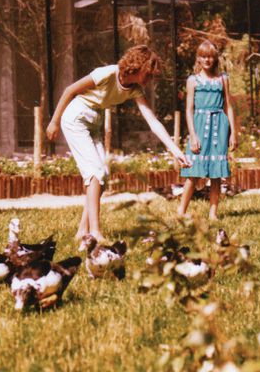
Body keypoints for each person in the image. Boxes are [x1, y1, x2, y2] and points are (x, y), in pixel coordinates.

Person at [46, 45, 190, 245]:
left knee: (101, 175)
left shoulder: (135, 90)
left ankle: (82, 230)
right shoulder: (107, 73)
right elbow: (69, 90)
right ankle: (95, 233)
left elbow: (153, 121)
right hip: (76, 117)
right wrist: (54, 121)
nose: (150, 80)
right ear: (137, 67)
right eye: (148, 74)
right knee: (94, 173)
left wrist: (175, 150)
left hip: (94, 119)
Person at [176, 40, 237, 221]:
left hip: (220, 126)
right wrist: (193, 135)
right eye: (203, 56)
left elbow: (229, 106)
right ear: (198, 58)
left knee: (216, 174)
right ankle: (181, 211)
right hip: (200, 126)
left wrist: (233, 132)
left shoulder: (223, 79)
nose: (207, 60)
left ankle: (213, 213)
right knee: (193, 171)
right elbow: (189, 110)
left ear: (215, 58)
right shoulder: (192, 81)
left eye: (210, 56)